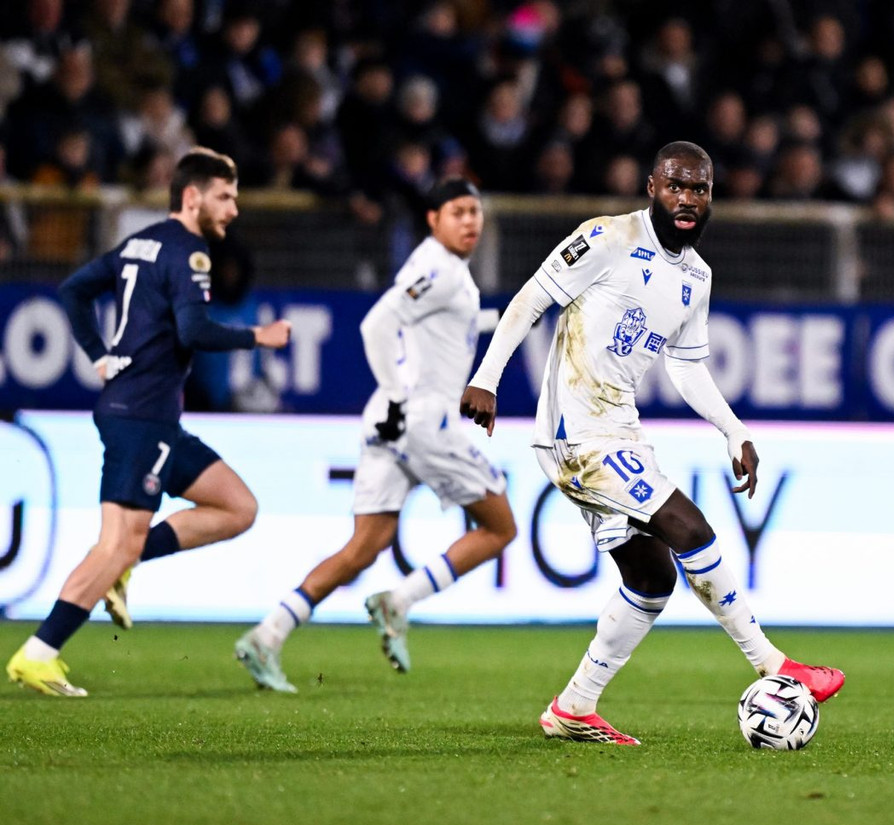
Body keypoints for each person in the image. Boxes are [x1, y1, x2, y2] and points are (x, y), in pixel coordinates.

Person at [459, 141, 845, 745]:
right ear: (652, 189)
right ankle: (776, 665)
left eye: (700, 189)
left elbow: (686, 368)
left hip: (621, 431)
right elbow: (531, 299)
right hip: (576, 435)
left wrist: (734, 429)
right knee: (689, 529)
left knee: (651, 579)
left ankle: (573, 707)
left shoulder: (697, 276)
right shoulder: (607, 238)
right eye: (676, 186)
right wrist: (486, 378)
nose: (687, 199)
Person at [5, 147, 292, 697]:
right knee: (115, 544)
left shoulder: (141, 242)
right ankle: (38, 654)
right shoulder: (191, 252)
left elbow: (74, 289)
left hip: (151, 415)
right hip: (141, 416)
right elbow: (193, 331)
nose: (233, 209)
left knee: (237, 507)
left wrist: (99, 354)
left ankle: (126, 564)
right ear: (193, 196)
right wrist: (258, 336)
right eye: (225, 197)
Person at [235, 179, 516, 693]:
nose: (469, 221)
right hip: (423, 421)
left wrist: (505, 321)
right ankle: (399, 601)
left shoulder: (438, 268)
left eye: (475, 211)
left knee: (364, 547)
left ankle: (267, 634)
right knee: (500, 528)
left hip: (388, 421)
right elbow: (376, 325)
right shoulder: (439, 269)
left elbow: (443, 324)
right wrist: (397, 392)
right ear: (433, 218)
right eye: (457, 211)